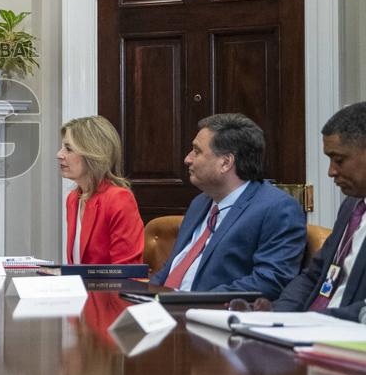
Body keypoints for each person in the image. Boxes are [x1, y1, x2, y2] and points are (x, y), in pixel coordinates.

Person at [151, 113, 305, 298]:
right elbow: (171, 269)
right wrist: (143, 297)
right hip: (165, 310)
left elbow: (270, 281)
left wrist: (192, 301)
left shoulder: (277, 208)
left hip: (210, 315)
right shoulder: (200, 203)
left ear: (225, 162)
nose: (187, 159)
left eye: (197, 151)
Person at [274, 102, 366, 319]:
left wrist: (320, 322)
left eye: (339, 160)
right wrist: (274, 316)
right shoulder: (352, 207)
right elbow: (314, 274)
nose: (331, 171)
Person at [57, 116, 144, 264]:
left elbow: (126, 273)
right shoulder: (73, 199)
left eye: (69, 149)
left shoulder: (119, 199)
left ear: (93, 154)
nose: (59, 155)